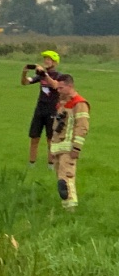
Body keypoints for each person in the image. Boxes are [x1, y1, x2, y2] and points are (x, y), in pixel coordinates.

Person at [49, 74, 89, 211]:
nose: (58, 90)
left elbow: (82, 127)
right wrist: (52, 149)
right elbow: (56, 128)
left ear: (70, 86)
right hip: (58, 147)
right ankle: (66, 207)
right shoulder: (61, 104)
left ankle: (71, 210)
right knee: (61, 180)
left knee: (66, 179)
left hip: (69, 148)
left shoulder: (79, 103)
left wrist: (76, 148)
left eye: (61, 88)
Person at [21, 50, 61, 167]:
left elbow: (54, 85)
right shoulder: (40, 76)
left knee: (50, 139)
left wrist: (44, 74)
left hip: (52, 110)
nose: (46, 61)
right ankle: (31, 164)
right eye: (45, 59)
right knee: (34, 137)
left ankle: (51, 165)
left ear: (54, 62)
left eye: (48, 59)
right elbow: (25, 82)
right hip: (40, 109)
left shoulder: (58, 76)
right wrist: (24, 72)